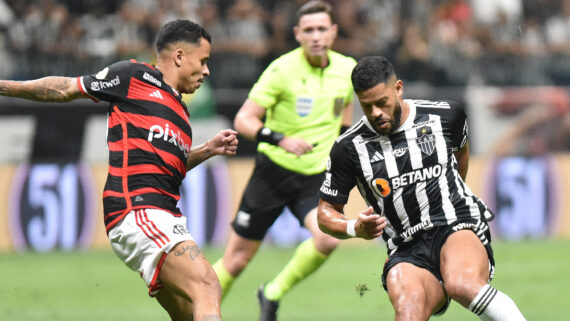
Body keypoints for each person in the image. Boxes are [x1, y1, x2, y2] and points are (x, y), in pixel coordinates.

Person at [0, 19, 238, 321]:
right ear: (179, 56)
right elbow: (64, 89)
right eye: (203, 61)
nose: (207, 71)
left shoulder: (180, 113)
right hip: (137, 210)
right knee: (207, 285)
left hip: (163, 215)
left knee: (191, 313)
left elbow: (169, 169)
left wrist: (207, 150)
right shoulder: (134, 76)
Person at [317, 56, 527, 321]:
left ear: (398, 88)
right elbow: (325, 212)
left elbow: (460, 154)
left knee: (461, 284)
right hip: (406, 248)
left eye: (382, 103)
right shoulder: (348, 148)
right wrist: (353, 228)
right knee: (407, 311)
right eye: (367, 106)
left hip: (454, 223)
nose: (376, 113)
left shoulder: (445, 115)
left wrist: (453, 194)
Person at [212, 1, 356, 320]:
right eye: (309, 30)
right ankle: (197, 309)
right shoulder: (281, 70)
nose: (316, 36)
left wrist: (341, 143)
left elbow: (345, 106)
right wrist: (281, 139)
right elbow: (243, 119)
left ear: (333, 31)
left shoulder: (347, 69)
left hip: (314, 177)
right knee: (235, 261)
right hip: (272, 174)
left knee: (328, 239)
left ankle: (271, 293)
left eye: (322, 29)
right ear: (297, 34)